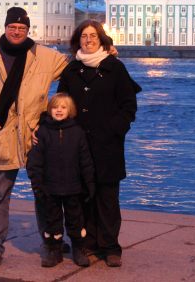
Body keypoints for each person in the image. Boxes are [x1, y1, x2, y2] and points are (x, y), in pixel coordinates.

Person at [0, 7, 69, 268]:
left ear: (28, 30)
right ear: (5, 28)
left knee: (45, 193)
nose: (16, 31)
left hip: (35, 135)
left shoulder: (44, 56)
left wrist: (104, 52)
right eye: (12, 27)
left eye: (22, 28)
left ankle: (51, 241)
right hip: (3, 135)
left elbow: (74, 69)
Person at [57, 20, 141, 268]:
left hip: (108, 144)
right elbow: (61, 102)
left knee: (107, 197)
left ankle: (111, 247)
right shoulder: (72, 69)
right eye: (84, 36)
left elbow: (129, 105)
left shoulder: (115, 67)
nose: (89, 40)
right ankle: (87, 243)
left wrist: (116, 129)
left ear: (102, 39)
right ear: (78, 41)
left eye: (93, 36)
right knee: (83, 196)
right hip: (78, 144)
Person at [26, 93, 95, 268]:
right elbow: (34, 162)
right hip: (50, 187)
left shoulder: (77, 132)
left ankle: (78, 248)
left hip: (73, 187)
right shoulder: (43, 132)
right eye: (55, 107)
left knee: (76, 219)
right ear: (49, 110)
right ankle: (54, 250)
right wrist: (37, 185)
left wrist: (89, 183)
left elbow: (85, 160)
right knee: (52, 220)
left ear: (70, 110)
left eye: (63, 107)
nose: (59, 110)